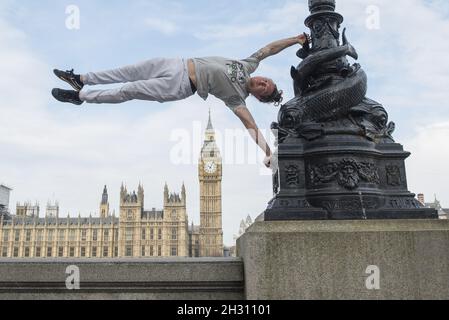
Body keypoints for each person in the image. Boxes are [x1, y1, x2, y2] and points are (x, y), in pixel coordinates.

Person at [52, 34, 309, 168]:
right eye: (267, 81)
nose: (264, 84)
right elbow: (270, 48)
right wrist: (294, 40)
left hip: (181, 85)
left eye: (266, 89)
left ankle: (80, 97)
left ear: (259, 96)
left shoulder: (237, 98)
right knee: (128, 71)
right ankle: (81, 79)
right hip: (177, 63)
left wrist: (268, 153)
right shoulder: (248, 64)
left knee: (129, 90)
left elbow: (250, 126)